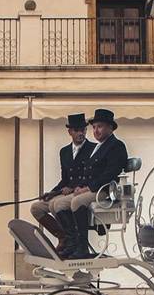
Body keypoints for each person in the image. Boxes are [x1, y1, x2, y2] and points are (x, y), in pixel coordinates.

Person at [53, 109, 127, 259]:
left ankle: (82, 246)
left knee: (77, 201)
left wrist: (87, 188)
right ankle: (71, 242)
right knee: (58, 204)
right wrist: (79, 187)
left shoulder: (116, 145)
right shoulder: (99, 146)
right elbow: (89, 173)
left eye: (99, 126)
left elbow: (110, 174)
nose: (96, 130)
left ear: (110, 128)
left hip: (104, 190)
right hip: (92, 188)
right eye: (94, 127)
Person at [29, 113, 93, 257]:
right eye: (77, 130)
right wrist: (52, 193)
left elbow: (90, 177)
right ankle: (62, 237)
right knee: (36, 208)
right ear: (70, 132)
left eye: (83, 130)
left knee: (57, 204)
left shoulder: (93, 149)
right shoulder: (64, 152)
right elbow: (64, 179)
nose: (80, 133)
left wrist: (72, 188)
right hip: (64, 193)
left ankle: (73, 242)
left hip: (80, 192)